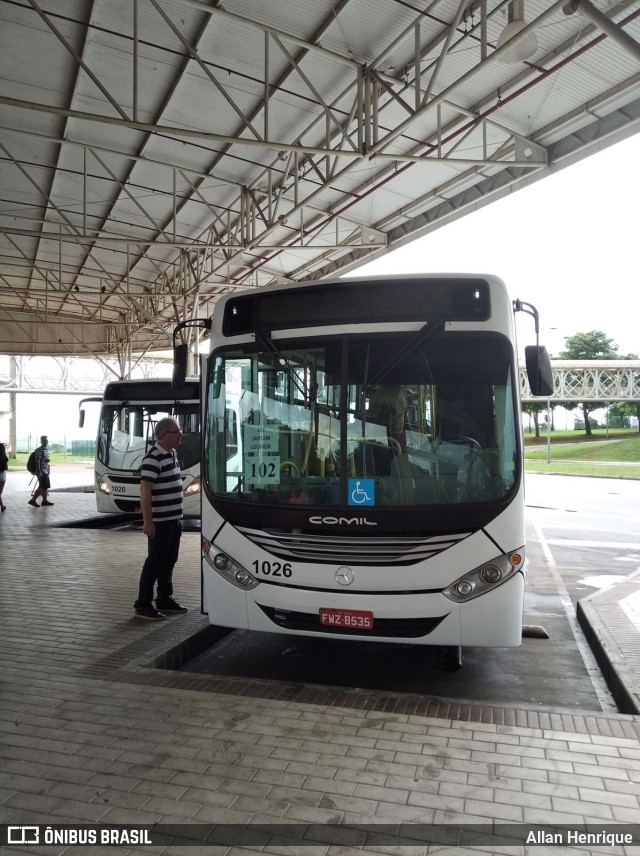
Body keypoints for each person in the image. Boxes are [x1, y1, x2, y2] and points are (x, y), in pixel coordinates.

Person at [134, 417, 189, 621]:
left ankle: (164, 598)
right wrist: (148, 521)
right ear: (164, 435)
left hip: (174, 519)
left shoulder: (172, 453)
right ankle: (143, 603)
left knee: (169, 560)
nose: (181, 435)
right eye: (177, 432)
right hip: (161, 521)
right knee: (155, 561)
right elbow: (145, 491)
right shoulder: (153, 458)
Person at [28, 435, 54, 507]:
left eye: (47, 440)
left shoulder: (46, 449)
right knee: (42, 486)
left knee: (45, 486)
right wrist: (39, 472)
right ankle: (32, 500)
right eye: (44, 440)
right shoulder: (39, 450)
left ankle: (44, 501)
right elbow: (37, 461)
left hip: (45, 470)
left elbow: (44, 460)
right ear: (41, 441)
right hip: (41, 471)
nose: (46, 441)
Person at [0, 442, 8, 511]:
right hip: (2, 475)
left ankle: (2, 506)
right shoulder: (4, 458)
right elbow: (6, 468)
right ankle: (2, 506)